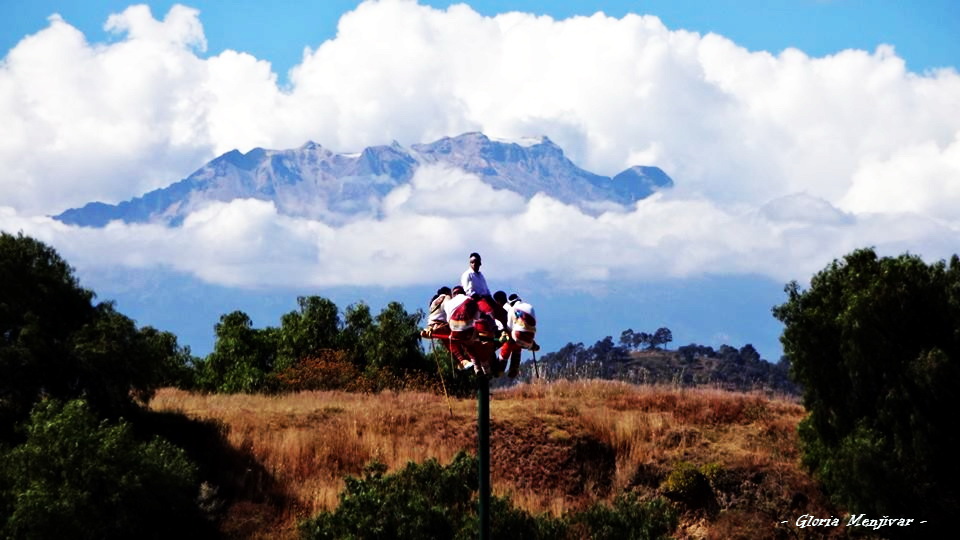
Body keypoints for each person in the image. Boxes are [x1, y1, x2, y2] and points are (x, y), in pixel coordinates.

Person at [498, 294, 539, 378]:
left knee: (511, 338)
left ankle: (501, 366)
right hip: (531, 337)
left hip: (518, 336)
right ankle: (514, 367)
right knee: (518, 343)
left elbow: (509, 327)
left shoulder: (512, 310)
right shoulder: (529, 306)